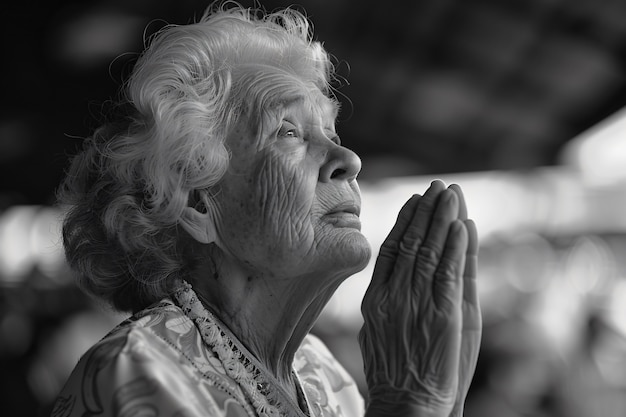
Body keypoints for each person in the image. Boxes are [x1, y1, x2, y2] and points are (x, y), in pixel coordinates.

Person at [51, 3, 481, 417]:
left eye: (331, 132)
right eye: (289, 132)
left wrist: (443, 405)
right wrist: (410, 405)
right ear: (199, 203)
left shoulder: (321, 373)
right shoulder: (137, 372)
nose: (348, 159)